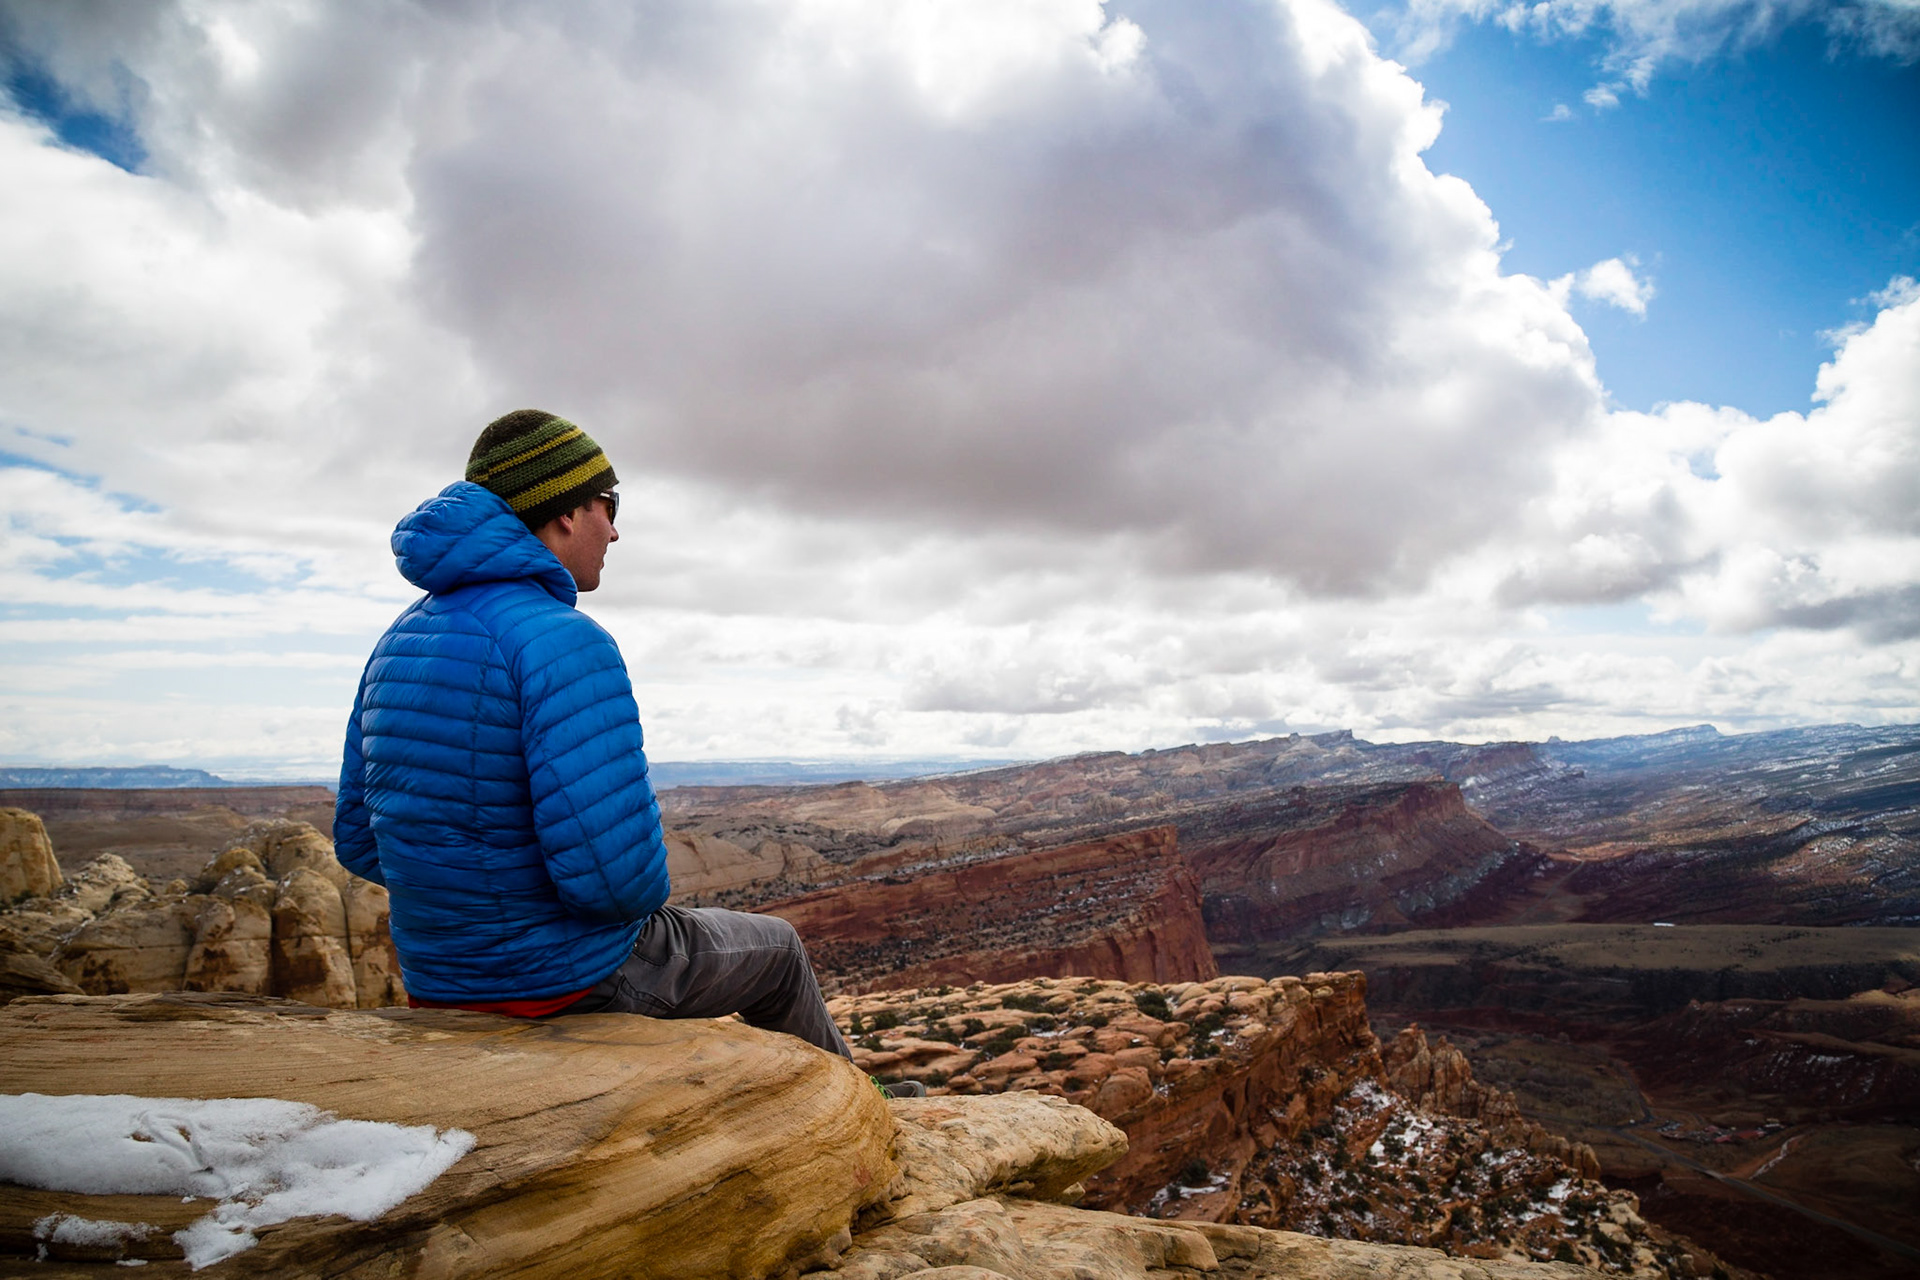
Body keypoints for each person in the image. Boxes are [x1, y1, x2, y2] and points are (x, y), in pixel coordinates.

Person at [333, 409, 860, 1064]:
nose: (615, 529)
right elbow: (618, 887)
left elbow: (357, 843)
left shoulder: (397, 642)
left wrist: (472, 903)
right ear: (563, 513)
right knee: (777, 949)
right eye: (606, 506)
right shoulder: (564, 641)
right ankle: (871, 1110)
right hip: (568, 979)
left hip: (440, 983)